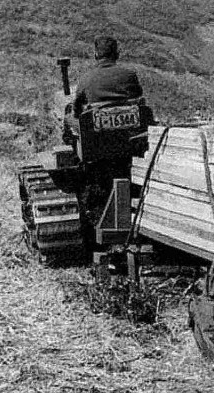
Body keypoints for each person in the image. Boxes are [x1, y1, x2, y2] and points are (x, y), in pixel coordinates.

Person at [67, 37, 146, 252]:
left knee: (71, 121)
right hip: (129, 146)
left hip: (97, 151)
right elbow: (139, 101)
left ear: (95, 55)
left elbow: (76, 110)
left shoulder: (86, 79)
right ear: (117, 54)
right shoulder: (129, 75)